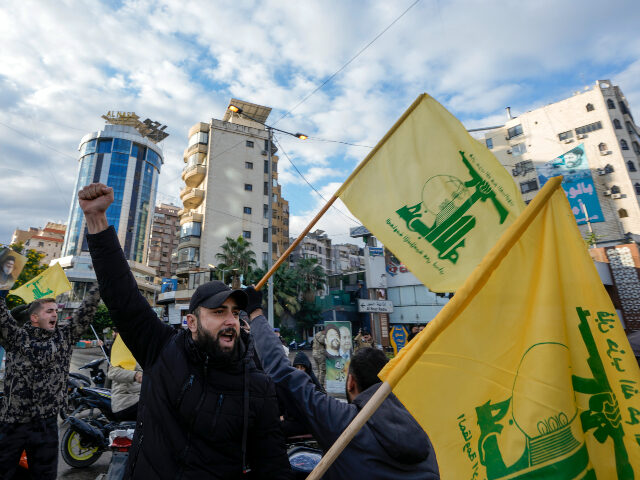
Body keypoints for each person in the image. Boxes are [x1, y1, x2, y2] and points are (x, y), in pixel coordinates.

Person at [78, 182, 291, 479]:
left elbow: (273, 465)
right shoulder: (162, 350)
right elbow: (121, 295)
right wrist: (96, 221)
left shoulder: (257, 385)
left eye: (233, 312)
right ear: (191, 322)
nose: (230, 320)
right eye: (218, 312)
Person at [245, 289, 439, 480]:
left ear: (351, 382)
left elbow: (282, 373)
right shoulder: (422, 429)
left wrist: (255, 313)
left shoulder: (346, 423)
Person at [0, 286, 100, 478]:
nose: (55, 314)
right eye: (49, 311)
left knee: (44, 475)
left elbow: (85, 312)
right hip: (13, 422)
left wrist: (99, 288)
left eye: (56, 310)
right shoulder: (16, 337)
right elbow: (2, 319)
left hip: (46, 425)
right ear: (34, 318)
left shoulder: (65, 337)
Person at [107, 332, 142, 421]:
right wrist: (135, 375)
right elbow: (112, 372)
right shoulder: (123, 351)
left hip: (138, 398)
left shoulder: (140, 352)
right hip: (126, 402)